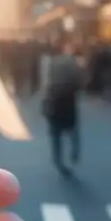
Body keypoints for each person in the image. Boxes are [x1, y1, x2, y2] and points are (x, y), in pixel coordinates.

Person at [40, 41, 82, 173]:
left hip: (55, 99)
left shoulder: (50, 64)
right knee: (73, 128)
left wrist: (45, 99)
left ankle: (58, 159)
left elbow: (47, 83)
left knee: (55, 132)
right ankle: (74, 151)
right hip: (68, 98)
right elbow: (78, 79)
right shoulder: (72, 62)